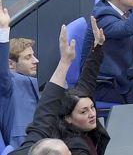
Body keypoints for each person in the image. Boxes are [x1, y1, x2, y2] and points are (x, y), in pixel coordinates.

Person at [12, 19, 108, 155]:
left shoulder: (39, 145)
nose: (92, 114)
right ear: (68, 118)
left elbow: (43, 116)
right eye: (83, 111)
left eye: (92, 108)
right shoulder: (77, 148)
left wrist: (96, 48)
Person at [0, 0, 39, 149]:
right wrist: (3, 30)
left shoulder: (27, 81)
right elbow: (2, 73)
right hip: (23, 146)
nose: (36, 61)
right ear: (10, 64)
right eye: (28, 57)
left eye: (33, 55)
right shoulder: (7, 84)